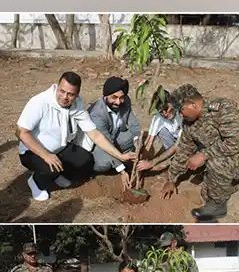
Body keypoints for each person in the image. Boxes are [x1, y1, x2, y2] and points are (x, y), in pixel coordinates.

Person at [17, 71, 137, 201]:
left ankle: (56, 174)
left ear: (77, 94)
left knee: (85, 161)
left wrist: (120, 156)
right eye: (62, 91)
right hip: (33, 151)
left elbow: (95, 135)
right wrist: (45, 155)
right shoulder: (40, 102)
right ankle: (36, 181)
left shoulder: (77, 104)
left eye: (70, 94)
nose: (65, 97)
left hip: (60, 149)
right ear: (57, 87)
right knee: (50, 167)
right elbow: (21, 132)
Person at [162, 84, 239, 221]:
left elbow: (234, 143)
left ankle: (218, 205)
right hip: (232, 152)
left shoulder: (223, 109)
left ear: (193, 105)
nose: (180, 114)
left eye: (181, 110)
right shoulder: (189, 123)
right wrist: (172, 179)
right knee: (206, 188)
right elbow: (184, 149)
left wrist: (203, 155)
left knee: (215, 163)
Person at [77, 76, 141, 185]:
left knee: (130, 137)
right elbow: (105, 142)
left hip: (114, 135)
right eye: (114, 97)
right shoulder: (97, 113)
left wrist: (138, 142)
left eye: (121, 97)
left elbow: (133, 123)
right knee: (104, 163)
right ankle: (105, 165)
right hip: (98, 144)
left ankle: (119, 159)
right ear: (105, 96)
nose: (118, 102)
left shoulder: (125, 101)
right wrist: (122, 170)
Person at [137, 89, 183, 173]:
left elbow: (177, 145)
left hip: (185, 141)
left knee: (183, 159)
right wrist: (141, 161)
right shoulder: (158, 118)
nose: (165, 114)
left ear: (171, 103)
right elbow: (149, 141)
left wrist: (152, 163)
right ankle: (172, 157)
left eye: (167, 109)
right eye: (161, 112)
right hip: (174, 140)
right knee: (161, 131)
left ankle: (175, 160)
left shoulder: (182, 115)